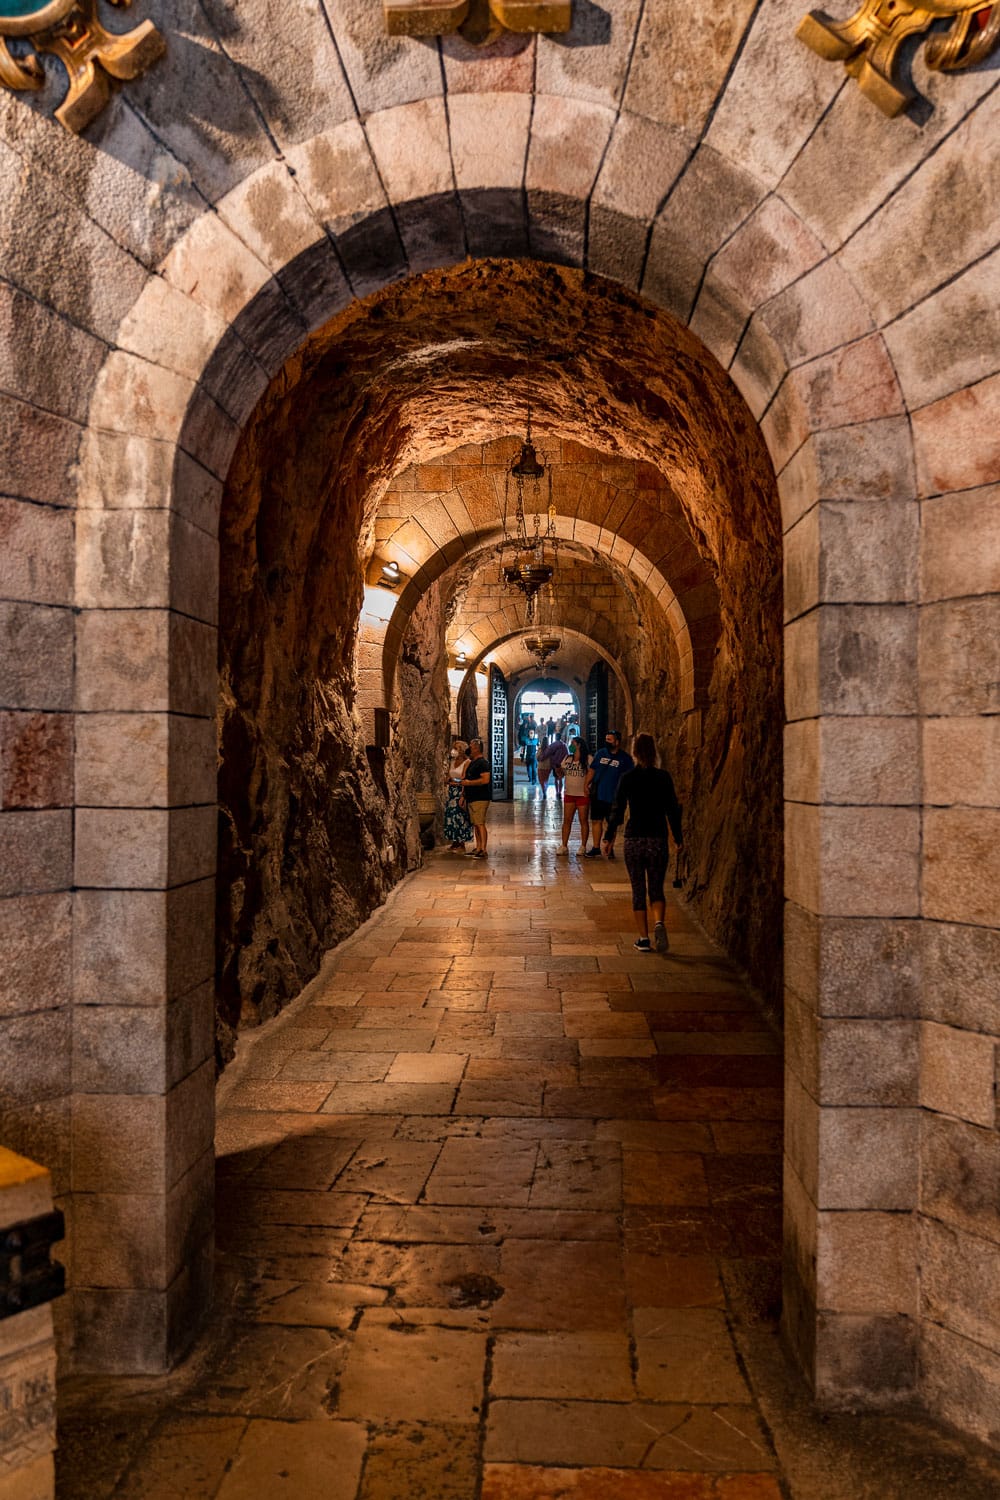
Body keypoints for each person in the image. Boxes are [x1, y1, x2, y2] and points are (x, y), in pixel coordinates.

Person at [602, 733, 683, 952]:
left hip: (634, 840)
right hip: (657, 839)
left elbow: (617, 810)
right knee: (656, 887)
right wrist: (678, 837)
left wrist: (609, 837)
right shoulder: (663, 777)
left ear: (635, 752)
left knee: (638, 889)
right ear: (654, 752)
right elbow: (672, 810)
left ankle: (643, 938)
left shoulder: (628, 778)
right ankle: (659, 923)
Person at [585, 729, 633, 858]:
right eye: (606, 739)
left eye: (610, 740)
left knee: (612, 823)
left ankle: (609, 848)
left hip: (615, 797)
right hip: (598, 793)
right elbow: (592, 770)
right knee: (596, 820)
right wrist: (586, 784)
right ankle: (596, 847)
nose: (607, 742)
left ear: (617, 742)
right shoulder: (600, 754)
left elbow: (629, 777)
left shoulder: (625, 759)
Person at [556, 737, 591, 854]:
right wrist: (558, 770)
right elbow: (561, 775)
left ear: (579, 745)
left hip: (582, 794)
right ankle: (564, 845)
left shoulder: (588, 759)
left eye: (573, 743)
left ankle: (583, 846)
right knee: (567, 820)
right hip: (569, 794)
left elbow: (592, 774)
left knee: (583, 820)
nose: (570, 745)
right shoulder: (567, 759)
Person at [461, 737, 492, 859]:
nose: (469, 749)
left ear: (476, 749)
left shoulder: (483, 763)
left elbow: (485, 779)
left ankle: (483, 849)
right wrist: (464, 795)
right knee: (475, 823)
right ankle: (478, 847)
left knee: (480, 823)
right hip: (472, 797)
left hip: (480, 797)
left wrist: (469, 783)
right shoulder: (472, 762)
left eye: (471, 747)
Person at [443, 738, 473, 851]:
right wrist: (447, 780)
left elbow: (464, 778)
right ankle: (454, 841)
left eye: (455, 748)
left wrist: (462, 794)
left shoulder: (467, 762)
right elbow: (449, 776)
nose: (453, 751)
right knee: (451, 816)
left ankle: (461, 843)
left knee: (460, 816)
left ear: (461, 750)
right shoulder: (452, 762)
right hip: (451, 792)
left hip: (460, 791)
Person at [546, 730, 569, 798]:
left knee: (556, 779)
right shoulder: (564, 745)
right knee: (561, 778)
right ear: (560, 737)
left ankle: (557, 792)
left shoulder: (553, 745)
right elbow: (567, 754)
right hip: (562, 764)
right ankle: (560, 792)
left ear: (556, 737)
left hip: (555, 764)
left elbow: (548, 752)